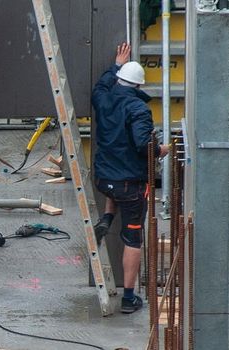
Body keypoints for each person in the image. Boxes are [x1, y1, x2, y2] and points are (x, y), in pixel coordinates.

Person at [91, 42, 169, 314]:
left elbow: (99, 87)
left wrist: (116, 64)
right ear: (138, 86)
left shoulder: (103, 99)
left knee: (116, 186)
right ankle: (128, 297)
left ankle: (107, 217)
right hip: (130, 186)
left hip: (104, 179)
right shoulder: (138, 109)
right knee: (133, 240)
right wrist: (160, 150)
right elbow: (142, 146)